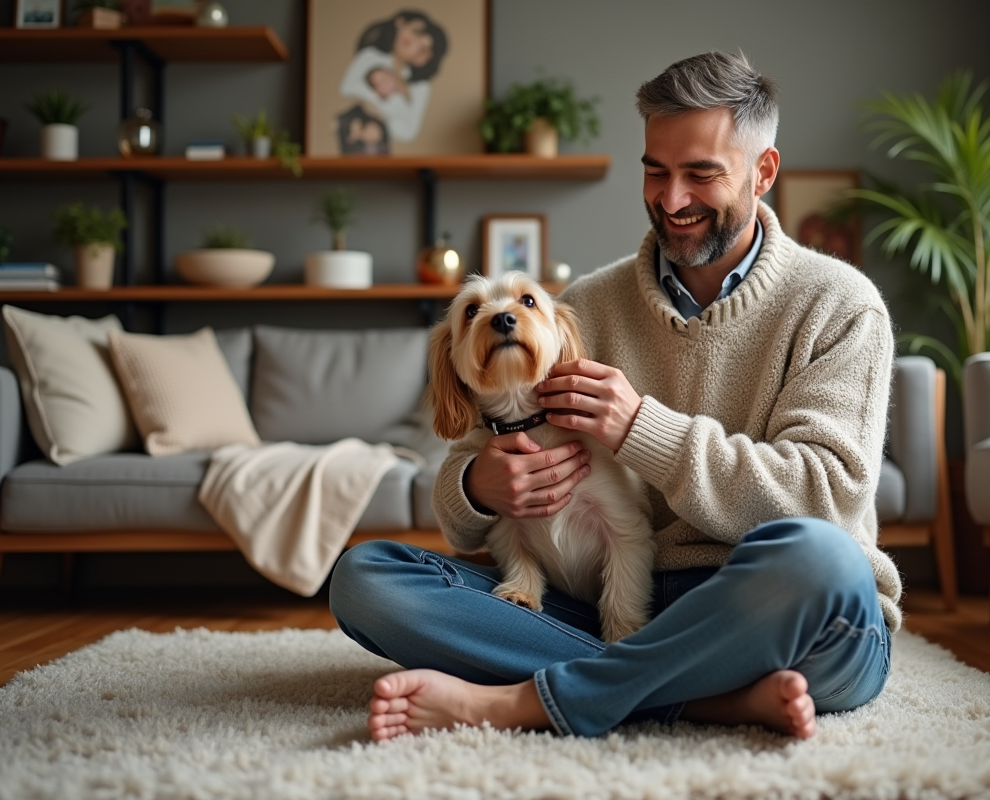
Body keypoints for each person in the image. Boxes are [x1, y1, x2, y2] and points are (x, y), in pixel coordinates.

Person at [329, 51, 901, 741]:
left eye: (702, 174)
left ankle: (524, 701)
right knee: (366, 578)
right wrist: (479, 485)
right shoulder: (581, 308)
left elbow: (825, 501)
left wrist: (642, 428)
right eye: (656, 171)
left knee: (822, 562)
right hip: (603, 598)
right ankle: (701, 695)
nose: (672, 199)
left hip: (768, 604)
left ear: (764, 172)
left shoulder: (840, 306)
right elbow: (478, 466)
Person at [337, 10, 448, 144]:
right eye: (416, 33)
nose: (414, 43)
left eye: (422, 49)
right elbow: (347, 88)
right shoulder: (370, 56)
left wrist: (381, 110)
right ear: (400, 23)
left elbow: (408, 131)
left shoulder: (420, 85)